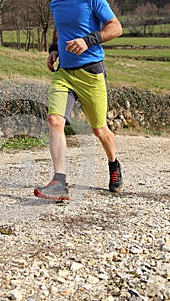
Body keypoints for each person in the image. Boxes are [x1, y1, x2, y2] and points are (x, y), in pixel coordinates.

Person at [34, 0, 123, 200]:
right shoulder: (55, 2)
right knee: (55, 120)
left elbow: (116, 28)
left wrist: (87, 40)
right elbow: (59, 28)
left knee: (99, 130)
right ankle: (59, 182)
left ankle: (113, 163)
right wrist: (54, 49)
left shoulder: (93, 0)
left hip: (91, 73)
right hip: (64, 73)